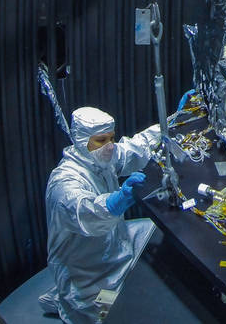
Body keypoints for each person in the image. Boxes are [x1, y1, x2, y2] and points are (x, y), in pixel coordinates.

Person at [39, 107, 162, 323]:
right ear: (81, 141)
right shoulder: (64, 182)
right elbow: (87, 213)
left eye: (111, 138)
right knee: (125, 315)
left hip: (115, 245)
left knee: (156, 231)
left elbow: (135, 148)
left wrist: (171, 122)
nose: (109, 146)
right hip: (87, 276)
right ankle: (70, 303)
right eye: (101, 140)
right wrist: (118, 200)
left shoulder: (101, 159)